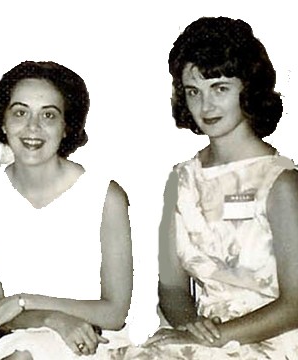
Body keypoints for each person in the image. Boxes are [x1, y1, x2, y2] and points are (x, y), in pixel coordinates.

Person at [115, 16, 298, 360]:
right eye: (193, 92)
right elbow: (171, 287)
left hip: (275, 343)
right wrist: (191, 330)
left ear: (248, 88)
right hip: (204, 339)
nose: (206, 105)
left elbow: (296, 304)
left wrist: (215, 339)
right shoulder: (182, 179)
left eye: (220, 88)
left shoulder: (282, 183)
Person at [0, 61, 133, 359]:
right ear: (3, 122)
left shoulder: (105, 197)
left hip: (92, 341)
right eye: (20, 112)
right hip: (12, 336)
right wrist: (48, 318)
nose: (32, 127)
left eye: (48, 115)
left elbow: (114, 312)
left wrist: (26, 300)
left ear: (66, 127)